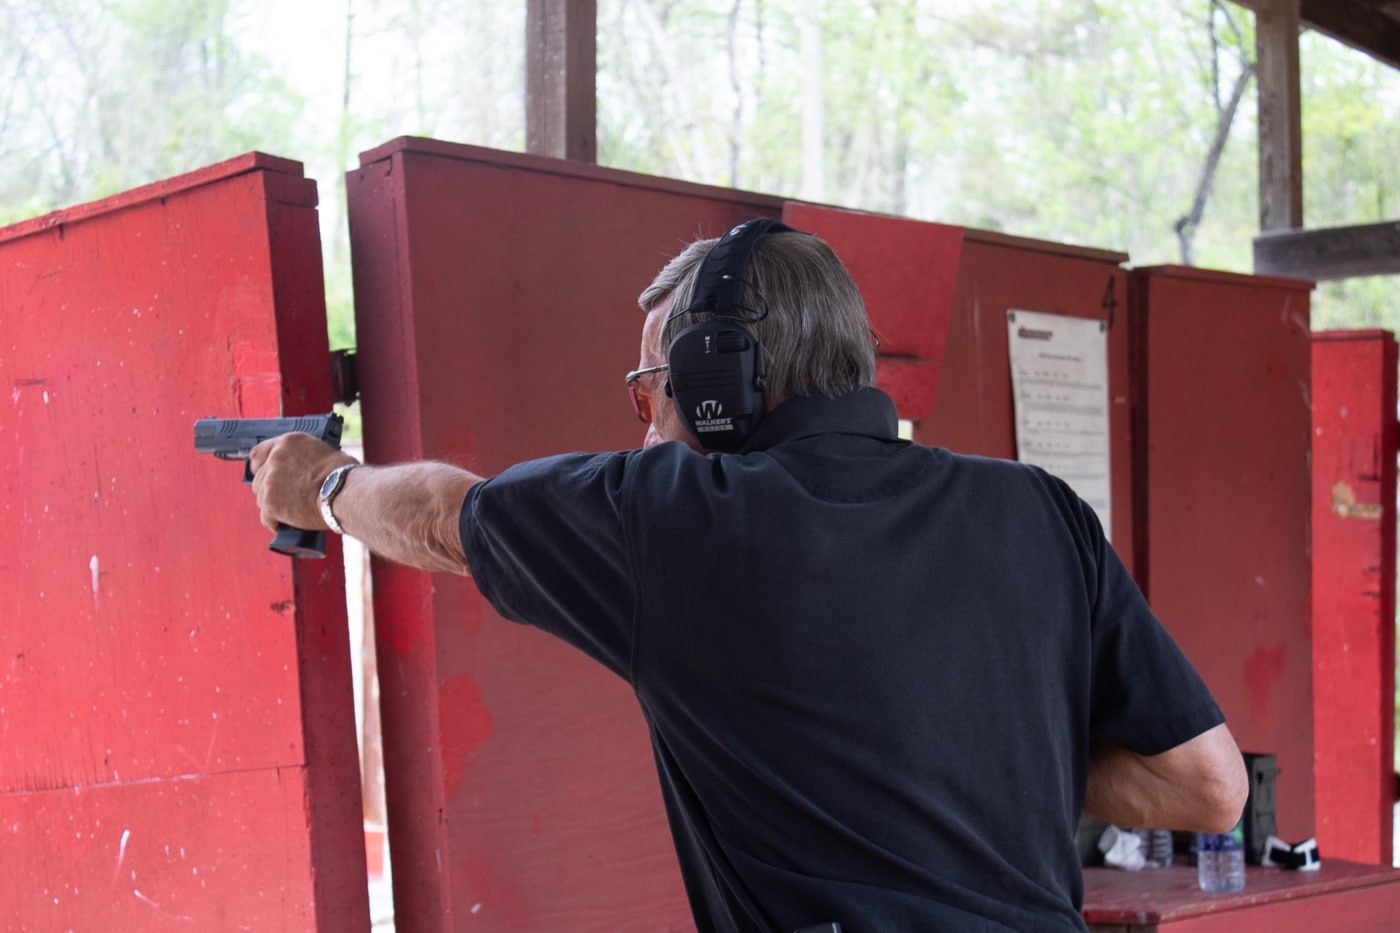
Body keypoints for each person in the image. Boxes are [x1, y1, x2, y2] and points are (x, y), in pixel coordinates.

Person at [250, 220, 1248, 932]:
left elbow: (436, 511)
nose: (645, 416)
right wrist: (954, 748)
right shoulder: (1038, 509)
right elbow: (1206, 789)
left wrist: (319, 485)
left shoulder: (681, 521)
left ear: (716, 379)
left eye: (652, 384)